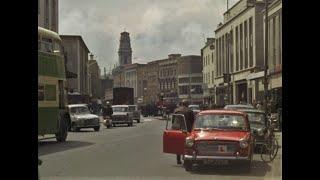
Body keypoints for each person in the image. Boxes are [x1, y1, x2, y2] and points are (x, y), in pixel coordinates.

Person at [173, 100, 195, 165]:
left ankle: (178, 159)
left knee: (178, 144)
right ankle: (186, 159)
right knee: (187, 144)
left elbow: (173, 120)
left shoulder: (176, 110)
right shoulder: (189, 111)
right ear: (187, 104)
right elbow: (192, 121)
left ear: (182, 104)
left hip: (177, 128)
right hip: (186, 129)